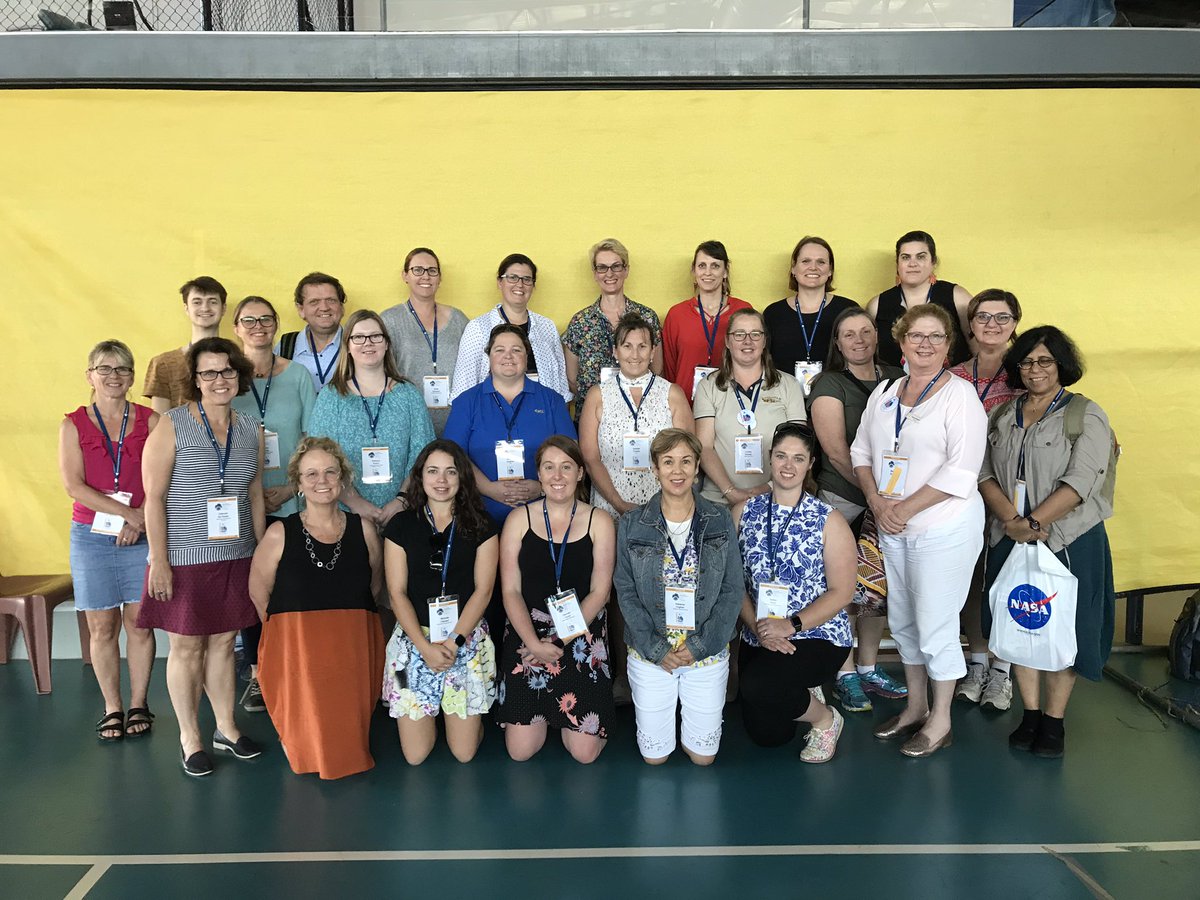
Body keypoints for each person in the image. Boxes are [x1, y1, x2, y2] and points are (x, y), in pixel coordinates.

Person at [850, 304, 986, 758]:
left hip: (943, 528)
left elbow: (961, 471)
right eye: (916, 336)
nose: (924, 344)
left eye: (935, 337)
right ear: (901, 341)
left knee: (936, 625)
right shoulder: (886, 392)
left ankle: (941, 720)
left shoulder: (959, 397)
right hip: (894, 527)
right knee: (904, 622)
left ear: (948, 345)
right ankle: (915, 707)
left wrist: (903, 508)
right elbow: (862, 452)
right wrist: (876, 501)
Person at [979, 326, 1115, 759]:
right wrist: (1011, 521)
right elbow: (983, 473)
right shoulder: (1003, 414)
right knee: (1021, 623)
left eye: (1044, 361)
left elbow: (1082, 482)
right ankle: (1031, 714)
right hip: (1010, 536)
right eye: (1026, 361)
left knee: (1066, 630)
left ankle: (1054, 723)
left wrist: (1033, 522)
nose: (1035, 369)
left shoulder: (1084, 414)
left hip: (1067, 540)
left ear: (1061, 365)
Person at [138, 337, 266, 777]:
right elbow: (152, 499)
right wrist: (159, 559)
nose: (219, 380)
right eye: (209, 373)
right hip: (185, 556)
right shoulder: (171, 425)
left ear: (239, 376)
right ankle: (190, 736)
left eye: (227, 371)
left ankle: (226, 728)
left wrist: (262, 552)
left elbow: (253, 494)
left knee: (224, 645)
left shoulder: (251, 428)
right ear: (195, 380)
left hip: (236, 553)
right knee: (187, 646)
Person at [248, 437, 385, 779]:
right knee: (305, 732)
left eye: (329, 472)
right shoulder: (280, 533)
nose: (321, 481)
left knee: (346, 732)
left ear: (342, 478)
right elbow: (259, 593)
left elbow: (375, 585)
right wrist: (288, 637)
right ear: (297, 483)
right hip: (296, 649)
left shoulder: (364, 530)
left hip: (351, 646)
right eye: (311, 474)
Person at [614, 429, 744, 765]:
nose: (678, 470)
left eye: (686, 461)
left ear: (698, 466)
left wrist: (701, 646)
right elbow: (626, 592)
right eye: (668, 462)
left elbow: (732, 590)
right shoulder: (631, 523)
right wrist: (657, 650)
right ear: (655, 468)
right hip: (651, 652)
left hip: (706, 650)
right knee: (654, 758)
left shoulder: (719, 519)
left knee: (703, 758)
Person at [735, 421, 855, 761]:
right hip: (759, 630)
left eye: (798, 459)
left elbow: (842, 592)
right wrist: (757, 626)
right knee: (770, 736)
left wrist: (792, 625)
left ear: (811, 464)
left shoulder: (829, 520)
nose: (788, 466)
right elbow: (734, 583)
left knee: (760, 686)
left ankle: (825, 719)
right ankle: (801, 692)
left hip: (815, 633)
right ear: (770, 459)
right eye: (781, 456)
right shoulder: (744, 512)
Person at [806, 308, 907, 712]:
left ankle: (868, 667)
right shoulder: (829, 383)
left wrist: (893, 496)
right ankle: (845, 672)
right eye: (849, 334)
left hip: (895, 500)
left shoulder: (898, 378)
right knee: (844, 587)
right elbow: (833, 448)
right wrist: (875, 493)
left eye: (866, 332)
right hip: (845, 497)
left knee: (876, 586)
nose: (859, 340)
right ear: (838, 343)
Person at [58, 340, 160, 741]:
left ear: (132, 377)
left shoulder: (152, 421)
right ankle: (112, 708)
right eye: (105, 368)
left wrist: (142, 521)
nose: (113, 376)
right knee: (102, 628)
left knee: (139, 624)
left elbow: (162, 479)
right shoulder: (73, 424)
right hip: (91, 536)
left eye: (121, 369)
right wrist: (126, 514)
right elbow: (73, 486)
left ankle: (139, 703)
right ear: (90, 376)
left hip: (141, 533)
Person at [496, 437, 616, 764]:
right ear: (539, 474)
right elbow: (510, 591)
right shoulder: (518, 520)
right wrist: (535, 643)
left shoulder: (600, 521)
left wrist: (559, 640)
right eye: (549, 467)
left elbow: (600, 592)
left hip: (580, 634)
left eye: (566, 467)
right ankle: (547, 714)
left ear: (580, 473)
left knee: (584, 754)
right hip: (527, 634)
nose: (557, 475)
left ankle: (570, 720)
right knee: (520, 752)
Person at [382, 440, 499, 765]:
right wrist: (424, 646)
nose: (442, 480)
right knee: (416, 755)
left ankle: (458, 713)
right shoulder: (401, 526)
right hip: (414, 642)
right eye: (433, 471)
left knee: (463, 754)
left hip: (464, 640)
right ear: (420, 477)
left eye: (450, 472)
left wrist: (453, 641)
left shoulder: (482, 525)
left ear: (462, 478)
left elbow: (483, 591)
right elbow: (397, 593)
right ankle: (430, 708)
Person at [230, 295, 317, 713]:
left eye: (266, 319)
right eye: (249, 320)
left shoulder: (298, 375)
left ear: (277, 324)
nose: (258, 326)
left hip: (292, 498)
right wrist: (253, 492)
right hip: (243, 501)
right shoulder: (228, 379)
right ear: (236, 328)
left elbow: (313, 438)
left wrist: (289, 489)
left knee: (293, 585)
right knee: (254, 588)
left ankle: (295, 665)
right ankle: (257, 673)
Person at [948, 289, 1025, 711]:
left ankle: (1003, 670)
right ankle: (976, 663)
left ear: (1015, 323)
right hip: (961, 492)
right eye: (982, 317)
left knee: (1006, 581)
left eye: (1002, 317)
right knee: (971, 582)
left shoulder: (1026, 372)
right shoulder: (954, 375)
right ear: (971, 324)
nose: (992, 325)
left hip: (1009, 494)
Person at [307, 310, 435, 531]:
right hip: (345, 515)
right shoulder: (331, 397)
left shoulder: (408, 395)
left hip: (403, 513)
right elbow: (320, 458)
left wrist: (402, 500)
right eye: (359, 337)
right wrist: (355, 502)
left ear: (386, 344)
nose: (368, 343)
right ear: (348, 345)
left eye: (376, 336)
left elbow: (423, 454)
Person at [444, 324, 577, 528]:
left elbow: (570, 454)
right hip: (479, 516)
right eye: (500, 350)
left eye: (516, 350)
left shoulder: (552, 401)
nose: (508, 356)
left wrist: (543, 485)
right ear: (489, 356)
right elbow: (452, 455)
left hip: (543, 516)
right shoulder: (466, 402)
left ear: (527, 356)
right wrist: (488, 488)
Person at [580, 313, 693, 518]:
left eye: (642, 346)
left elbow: (688, 455)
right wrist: (619, 503)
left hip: (664, 507)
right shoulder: (598, 395)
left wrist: (666, 504)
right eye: (627, 346)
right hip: (610, 507)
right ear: (615, 351)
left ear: (652, 352)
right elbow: (590, 458)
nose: (635, 354)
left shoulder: (672, 393)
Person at [694, 309, 806, 507]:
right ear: (728, 342)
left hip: (776, 497)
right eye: (739, 334)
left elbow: (800, 447)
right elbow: (704, 446)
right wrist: (730, 491)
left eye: (755, 334)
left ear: (764, 341)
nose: (748, 341)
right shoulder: (708, 385)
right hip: (718, 499)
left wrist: (766, 488)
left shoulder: (788, 385)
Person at [451, 254, 571, 404]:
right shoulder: (478, 328)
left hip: (542, 415)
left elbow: (561, 384)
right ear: (499, 282)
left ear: (533, 285)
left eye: (526, 279)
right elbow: (463, 386)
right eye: (512, 277)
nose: (520, 285)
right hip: (493, 416)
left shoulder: (547, 327)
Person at [562, 238, 663, 407]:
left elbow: (657, 370)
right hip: (592, 415)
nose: (609, 274)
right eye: (602, 267)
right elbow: (572, 380)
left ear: (626, 270)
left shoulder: (647, 317)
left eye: (616, 266)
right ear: (595, 273)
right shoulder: (580, 322)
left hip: (639, 414)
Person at [379, 248, 470, 436]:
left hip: (456, 422)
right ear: (405, 275)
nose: (426, 276)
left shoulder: (458, 319)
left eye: (432, 270)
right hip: (408, 423)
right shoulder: (389, 320)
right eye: (418, 270)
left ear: (439, 277)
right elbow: (380, 373)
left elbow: (474, 368)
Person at [762, 237, 859, 394]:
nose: (813, 267)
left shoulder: (847, 310)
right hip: (783, 399)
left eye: (821, 262)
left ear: (830, 270)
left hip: (837, 397)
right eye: (805, 261)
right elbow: (764, 362)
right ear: (793, 268)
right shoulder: (773, 313)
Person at [661, 241, 753, 403]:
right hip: (686, 406)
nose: (708, 272)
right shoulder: (676, 314)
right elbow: (669, 370)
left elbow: (754, 361)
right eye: (702, 265)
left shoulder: (742, 311)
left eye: (715, 266)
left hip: (734, 404)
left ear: (725, 272)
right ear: (694, 271)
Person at [865, 231, 972, 368]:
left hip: (950, 385)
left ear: (933, 262)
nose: (912, 263)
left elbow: (978, 350)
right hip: (895, 386)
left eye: (920, 257)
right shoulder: (878, 305)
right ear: (897, 263)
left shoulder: (957, 297)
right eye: (905, 257)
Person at [144, 276, 227, 413]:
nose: (205, 308)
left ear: (223, 308)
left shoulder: (237, 360)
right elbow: (159, 422)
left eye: (212, 302)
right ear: (186, 308)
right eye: (197, 302)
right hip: (178, 434)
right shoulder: (163, 363)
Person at [276, 272, 347, 393]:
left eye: (331, 300)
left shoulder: (358, 343)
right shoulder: (285, 346)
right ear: (301, 309)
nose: (324, 307)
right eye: (314, 302)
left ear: (341, 307)